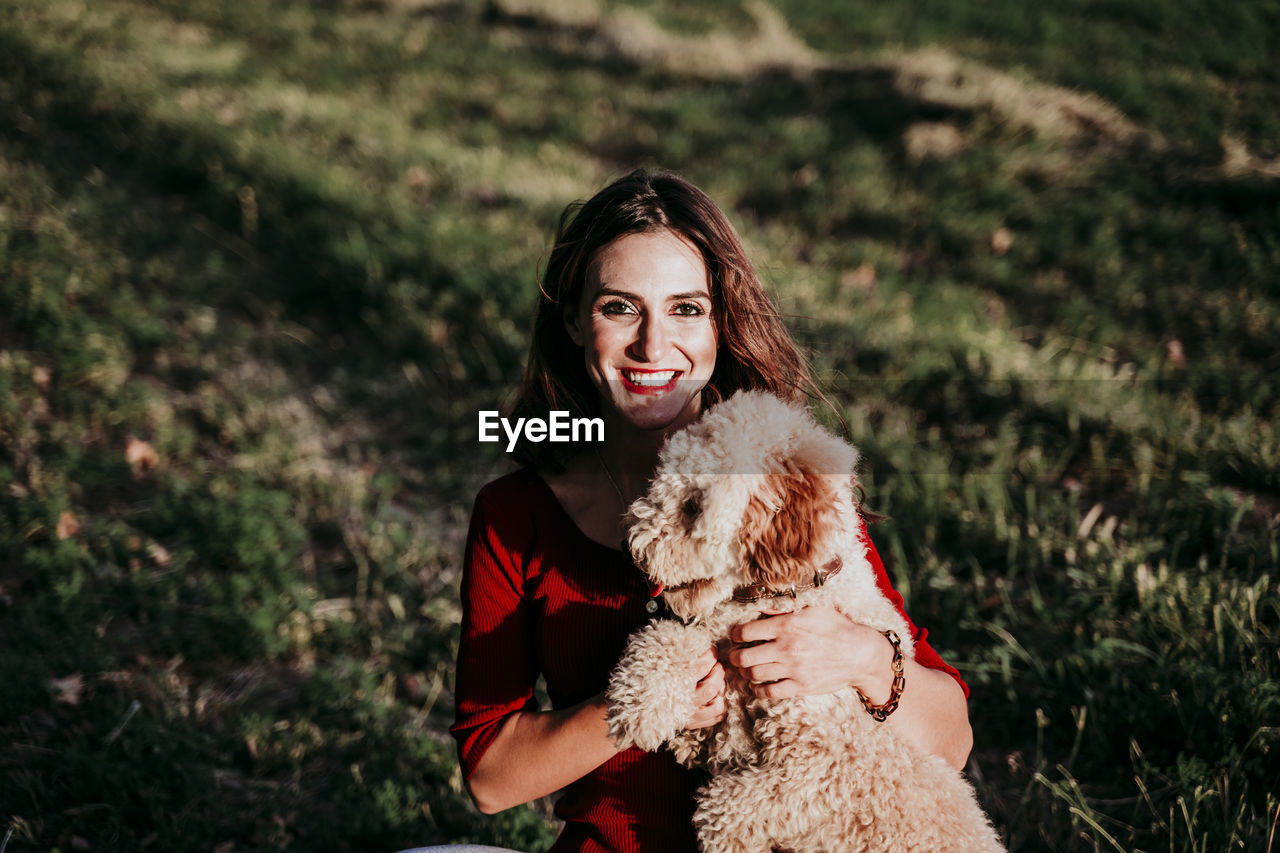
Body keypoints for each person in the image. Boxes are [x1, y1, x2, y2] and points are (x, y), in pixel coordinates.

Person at [450, 169, 973, 852]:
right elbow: (490, 776)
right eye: (619, 307)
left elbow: (953, 738)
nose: (652, 345)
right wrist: (638, 706)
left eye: (686, 309)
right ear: (576, 320)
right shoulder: (514, 514)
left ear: (721, 324)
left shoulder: (776, 481)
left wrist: (866, 659)